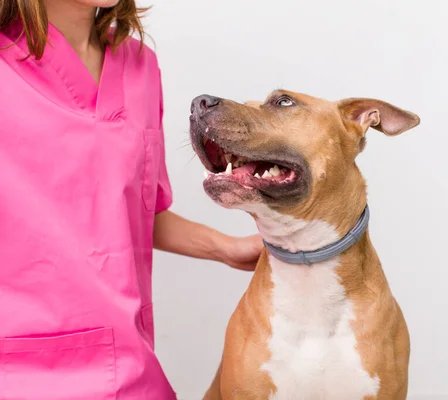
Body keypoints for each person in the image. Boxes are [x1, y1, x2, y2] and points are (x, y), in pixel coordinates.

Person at [0, 0, 262, 398]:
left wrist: (227, 248)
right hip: (18, 370)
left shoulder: (140, 67)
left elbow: (129, 210)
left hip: (128, 370)